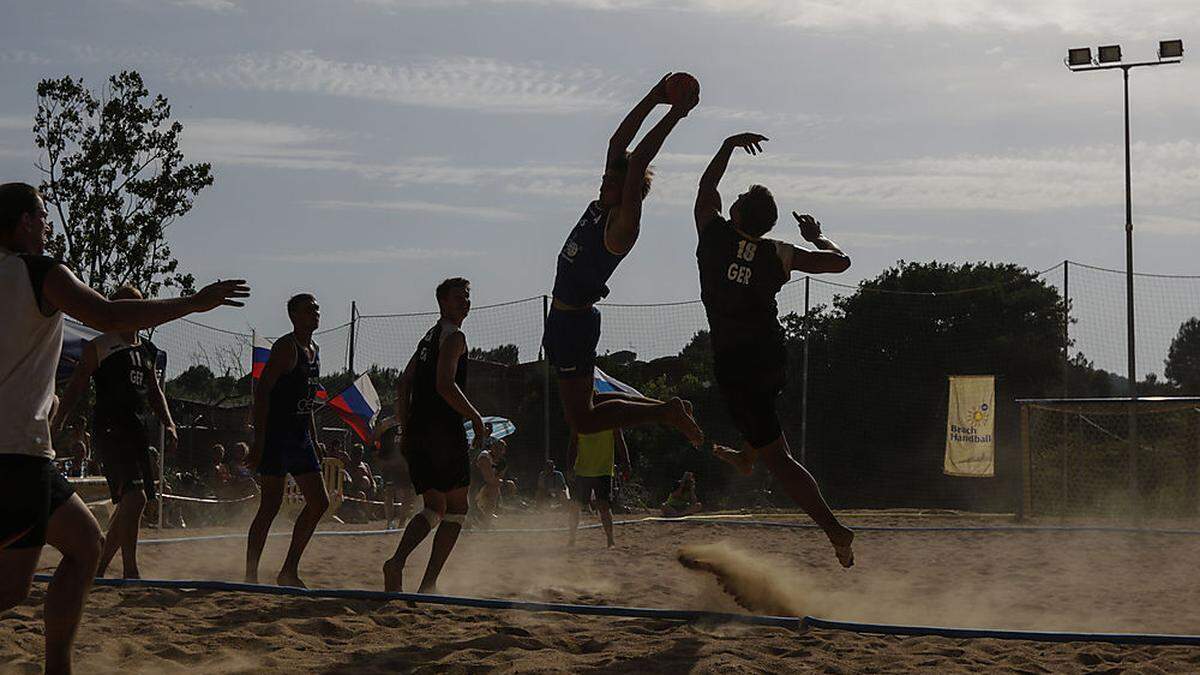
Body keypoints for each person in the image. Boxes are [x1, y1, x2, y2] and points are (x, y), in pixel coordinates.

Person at [0, 181, 248, 674]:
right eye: (43, 216)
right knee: (27, 579)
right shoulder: (37, 272)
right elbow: (109, 315)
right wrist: (191, 304)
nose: (48, 224)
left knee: (75, 550)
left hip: (29, 448)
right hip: (18, 450)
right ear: (26, 221)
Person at [692, 134, 855, 568]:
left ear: (738, 211)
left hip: (737, 363)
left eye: (741, 195)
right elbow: (842, 263)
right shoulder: (777, 253)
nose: (737, 195)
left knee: (778, 458)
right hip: (770, 355)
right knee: (759, 425)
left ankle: (835, 529)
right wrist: (819, 237)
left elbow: (706, 185)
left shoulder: (712, 235)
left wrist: (726, 144)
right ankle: (746, 458)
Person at [542, 75, 703, 446]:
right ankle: (666, 409)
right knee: (588, 406)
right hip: (563, 317)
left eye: (610, 182)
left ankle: (666, 412)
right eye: (603, 178)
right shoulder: (603, 205)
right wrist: (654, 96)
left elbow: (637, 161)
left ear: (629, 190)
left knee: (582, 420)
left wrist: (676, 113)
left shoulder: (622, 223)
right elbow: (619, 143)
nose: (602, 184)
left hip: (574, 321)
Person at [53, 285, 179, 579]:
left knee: (135, 502)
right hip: (110, 429)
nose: (135, 312)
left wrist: (169, 422)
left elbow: (154, 392)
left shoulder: (146, 350)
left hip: (137, 430)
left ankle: (100, 568)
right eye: (127, 306)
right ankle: (130, 570)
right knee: (134, 500)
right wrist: (59, 419)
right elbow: (75, 386)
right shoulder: (100, 346)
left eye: (138, 306)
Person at [383, 278, 484, 593]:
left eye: (467, 297)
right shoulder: (454, 338)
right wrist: (476, 418)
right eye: (458, 298)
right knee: (456, 509)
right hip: (443, 432)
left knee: (433, 508)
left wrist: (406, 424)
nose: (464, 302)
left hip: (419, 432)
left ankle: (396, 562)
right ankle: (428, 583)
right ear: (443, 302)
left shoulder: (428, 337)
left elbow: (403, 383)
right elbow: (445, 384)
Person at [244, 293, 330, 588]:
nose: (316, 313)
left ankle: (288, 570)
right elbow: (262, 391)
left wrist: (315, 439)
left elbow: (308, 402)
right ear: (293, 316)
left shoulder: (315, 349)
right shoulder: (285, 347)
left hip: (300, 435)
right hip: (277, 436)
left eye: (317, 309)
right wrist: (258, 441)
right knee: (270, 506)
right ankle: (250, 575)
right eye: (309, 309)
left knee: (319, 503)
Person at [567, 428, 630, 548]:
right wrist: (570, 467)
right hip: (582, 470)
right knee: (576, 505)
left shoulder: (611, 419)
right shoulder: (581, 420)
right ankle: (572, 538)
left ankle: (610, 540)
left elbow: (620, 441)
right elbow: (573, 444)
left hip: (603, 471)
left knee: (604, 505)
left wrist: (626, 463)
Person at [470, 439, 506, 525]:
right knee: (493, 488)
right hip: (473, 487)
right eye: (496, 448)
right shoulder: (484, 457)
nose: (498, 451)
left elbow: (498, 479)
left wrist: (500, 482)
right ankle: (480, 516)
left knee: (495, 489)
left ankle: (487, 520)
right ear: (492, 448)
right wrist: (500, 482)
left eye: (501, 449)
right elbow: (489, 479)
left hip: (486, 487)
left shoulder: (502, 462)